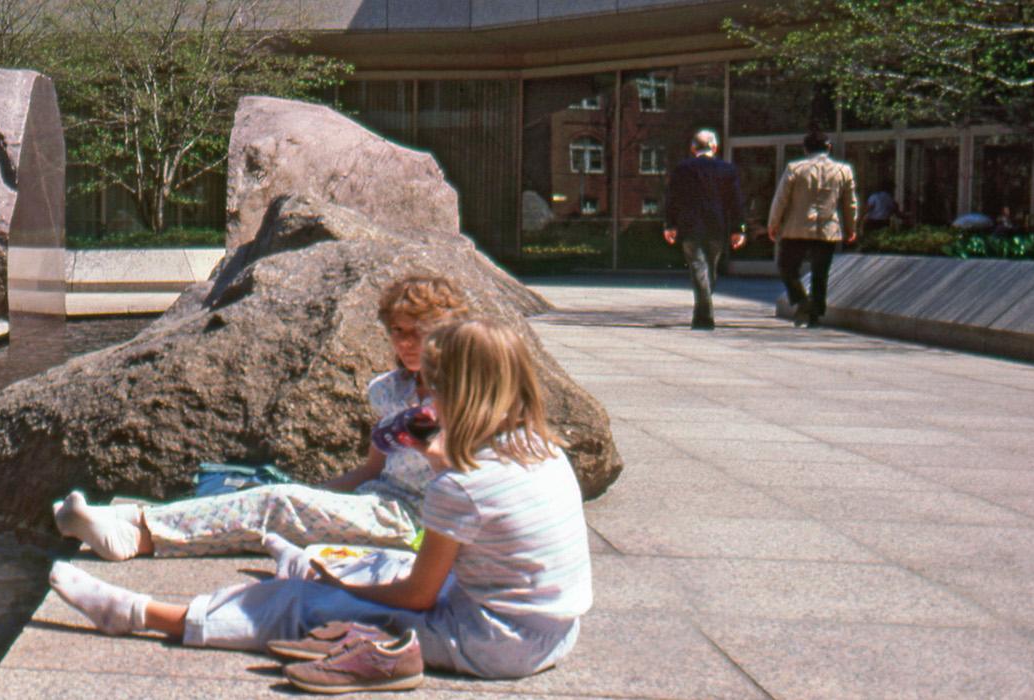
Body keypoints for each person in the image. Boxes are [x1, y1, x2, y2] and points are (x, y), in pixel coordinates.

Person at [47, 320, 591, 687]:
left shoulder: (461, 485)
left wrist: (342, 590)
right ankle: (297, 562)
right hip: (554, 633)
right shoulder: (542, 450)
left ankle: (142, 615)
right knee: (387, 562)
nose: (424, 399)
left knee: (296, 605)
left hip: (493, 642)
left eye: (433, 388)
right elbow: (473, 516)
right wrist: (428, 453)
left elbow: (419, 596)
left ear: (460, 393)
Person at [52, 275, 466, 561]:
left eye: (417, 331)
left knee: (271, 506)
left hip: (416, 521)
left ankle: (138, 536)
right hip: (375, 501)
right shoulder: (390, 389)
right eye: (397, 331)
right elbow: (371, 471)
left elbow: (464, 473)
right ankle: (125, 519)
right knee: (272, 499)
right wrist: (315, 493)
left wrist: (424, 435)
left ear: (445, 330)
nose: (405, 342)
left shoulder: (466, 390)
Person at [767, 130, 858, 328]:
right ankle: (815, 314)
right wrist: (851, 227)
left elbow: (781, 199)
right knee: (820, 273)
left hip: (796, 228)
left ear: (806, 149)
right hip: (828, 229)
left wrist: (773, 224)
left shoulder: (795, 168)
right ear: (829, 147)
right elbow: (850, 203)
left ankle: (802, 300)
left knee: (786, 266)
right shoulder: (843, 170)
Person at [662, 129, 746, 331]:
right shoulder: (727, 169)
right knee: (708, 269)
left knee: (700, 269)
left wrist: (670, 224)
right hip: (717, 227)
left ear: (693, 148)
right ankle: (704, 317)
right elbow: (735, 201)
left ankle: (702, 311)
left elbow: (672, 199)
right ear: (714, 147)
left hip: (690, 227)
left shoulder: (682, 169)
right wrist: (738, 228)